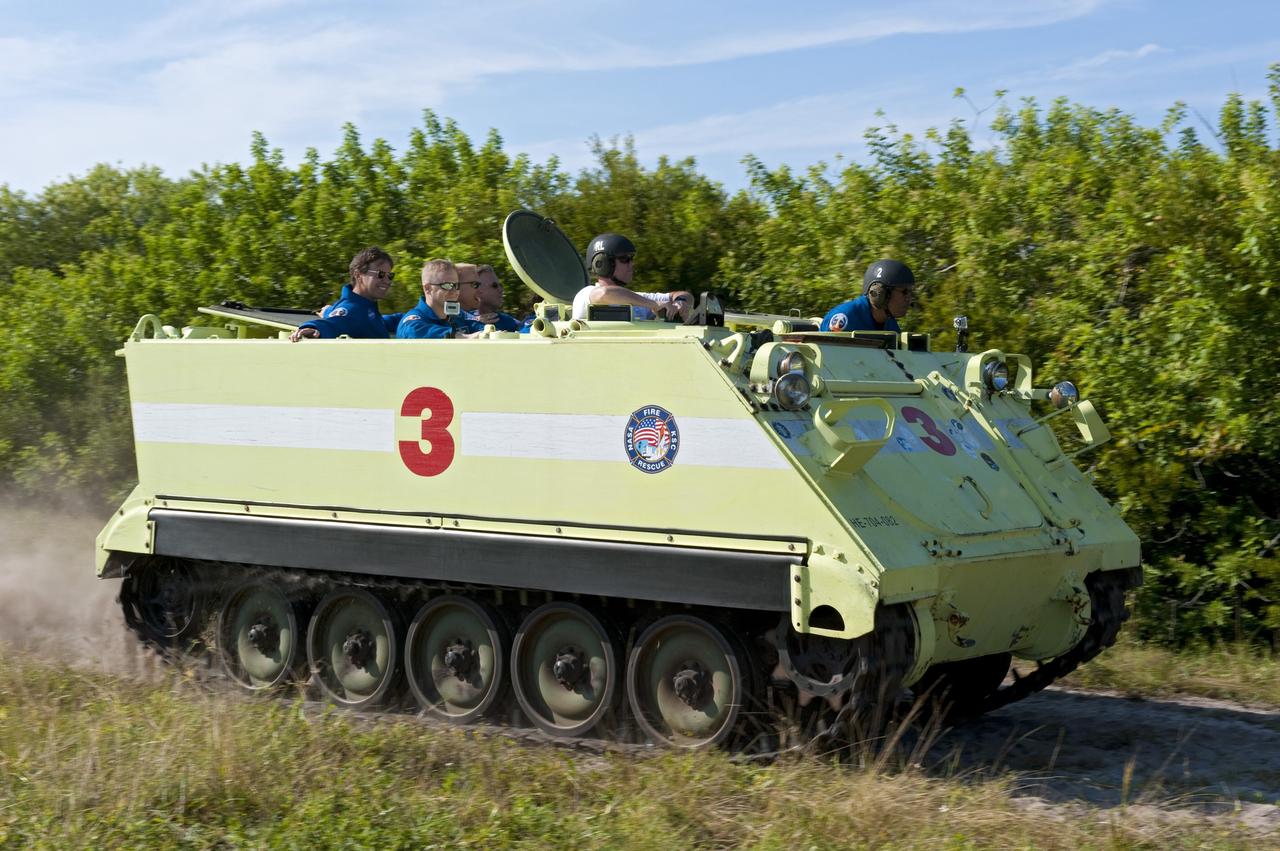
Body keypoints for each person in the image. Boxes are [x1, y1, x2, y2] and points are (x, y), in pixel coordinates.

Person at [572, 233, 693, 322]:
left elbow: (684, 295)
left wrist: (680, 303)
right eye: (625, 259)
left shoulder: (637, 299)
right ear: (602, 263)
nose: (632, 264)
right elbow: (603, 294)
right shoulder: (585, 295)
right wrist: (654, 305)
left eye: (632, 259)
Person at [290, 247, 403, 341]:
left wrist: (413, 315)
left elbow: (377, 322)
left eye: (390, 276)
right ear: (358, 275)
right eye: (381, 274)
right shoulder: (352, 310)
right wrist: (313, 328)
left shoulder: (366, 309)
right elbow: (336, 323)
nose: (387, 280)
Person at [396, 259, 486, 339]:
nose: (454, 291)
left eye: (456, 285)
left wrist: (487, 333)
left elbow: (480, 329)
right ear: (427, 288)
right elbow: (413, 331)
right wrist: (461, 337)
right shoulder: (414, 319)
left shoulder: (458, 316)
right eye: (447, 285)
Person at [820, 259, 915, 333]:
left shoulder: (890, 324)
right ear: (879, 292)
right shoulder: (845, 318)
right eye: (904, 291)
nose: (908, 299)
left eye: (911, 293)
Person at [473, 264, 522, 331]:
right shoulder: (461, 321)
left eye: (500, 285)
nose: (501, 290)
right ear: (477, 290)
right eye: (494, 285)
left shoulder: (508, 322)